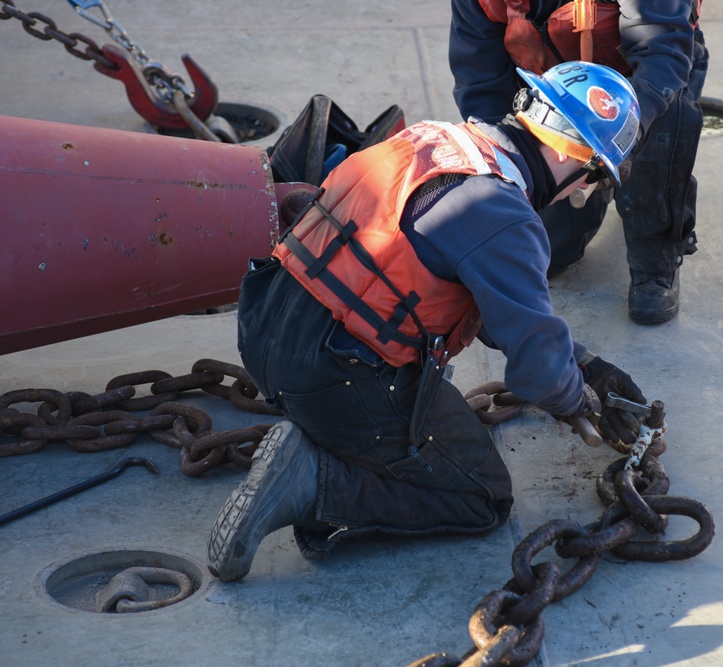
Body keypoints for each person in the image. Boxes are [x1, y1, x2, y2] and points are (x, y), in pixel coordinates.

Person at [208, 61, 651, 582]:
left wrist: (585, 363)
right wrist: (579, 399)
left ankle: (327, 439)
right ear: (568, 155)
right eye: (594, 176)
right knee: (480, 496)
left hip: (266, 322)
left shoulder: (436, 140)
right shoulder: (503, 213)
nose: (581, 193)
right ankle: (314, 478)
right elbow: (536, 376)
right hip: (332, 372)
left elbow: (479, 297)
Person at [449, 0, 709, 324]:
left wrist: (628, 131)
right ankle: (585, 206)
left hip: (643, 80)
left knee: (656, 149)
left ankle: (656, 258)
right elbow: (480, 84)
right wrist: (510, 169)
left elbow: (661, 51)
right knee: (547, 254)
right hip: (554, 94)